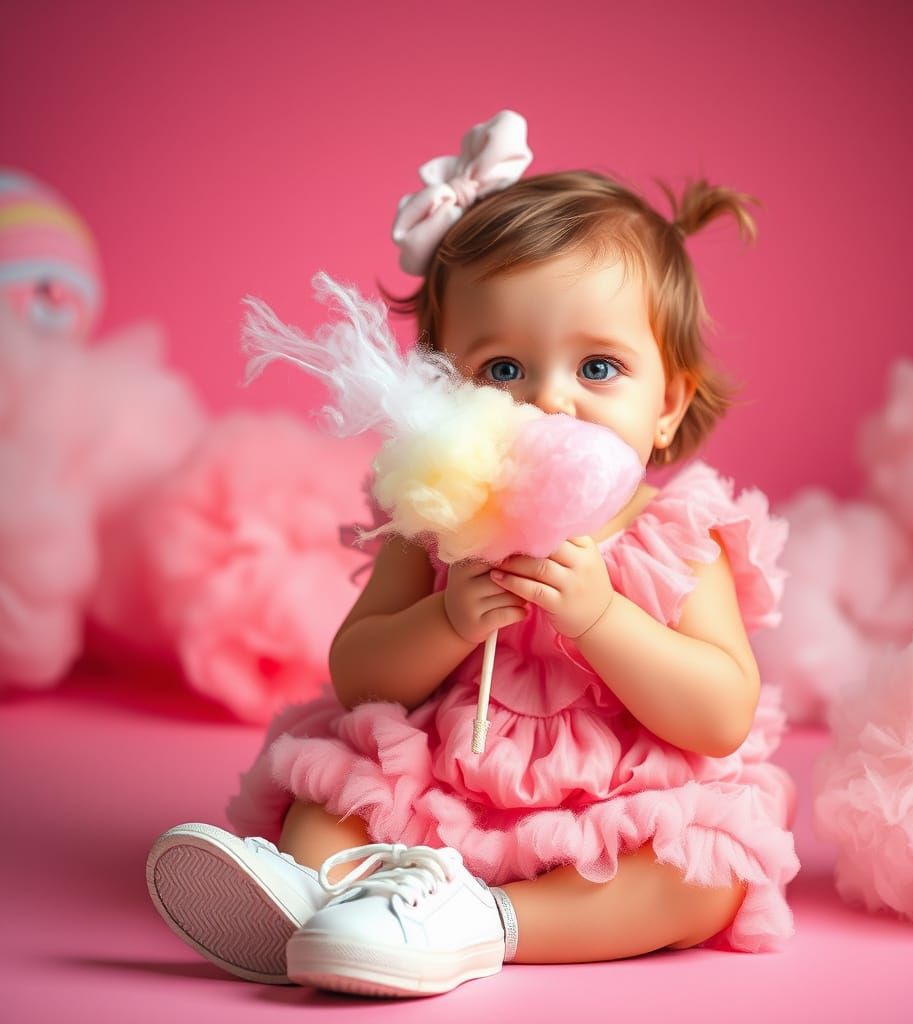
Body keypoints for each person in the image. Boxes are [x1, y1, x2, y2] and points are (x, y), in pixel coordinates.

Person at [145, 109, 800, 998]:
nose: (549, 403)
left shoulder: (677, 535)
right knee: (330, 805)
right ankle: (316, 903)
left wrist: (601, 617)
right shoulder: (438, 521)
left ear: (668, 405)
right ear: (438, 393)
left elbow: (721, 714)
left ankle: (479, 923)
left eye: (597, 368)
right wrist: (449, 617)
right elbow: (360, 675)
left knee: (703, 876)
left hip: (613, 808)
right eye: (502, 371)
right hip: (442, 789)